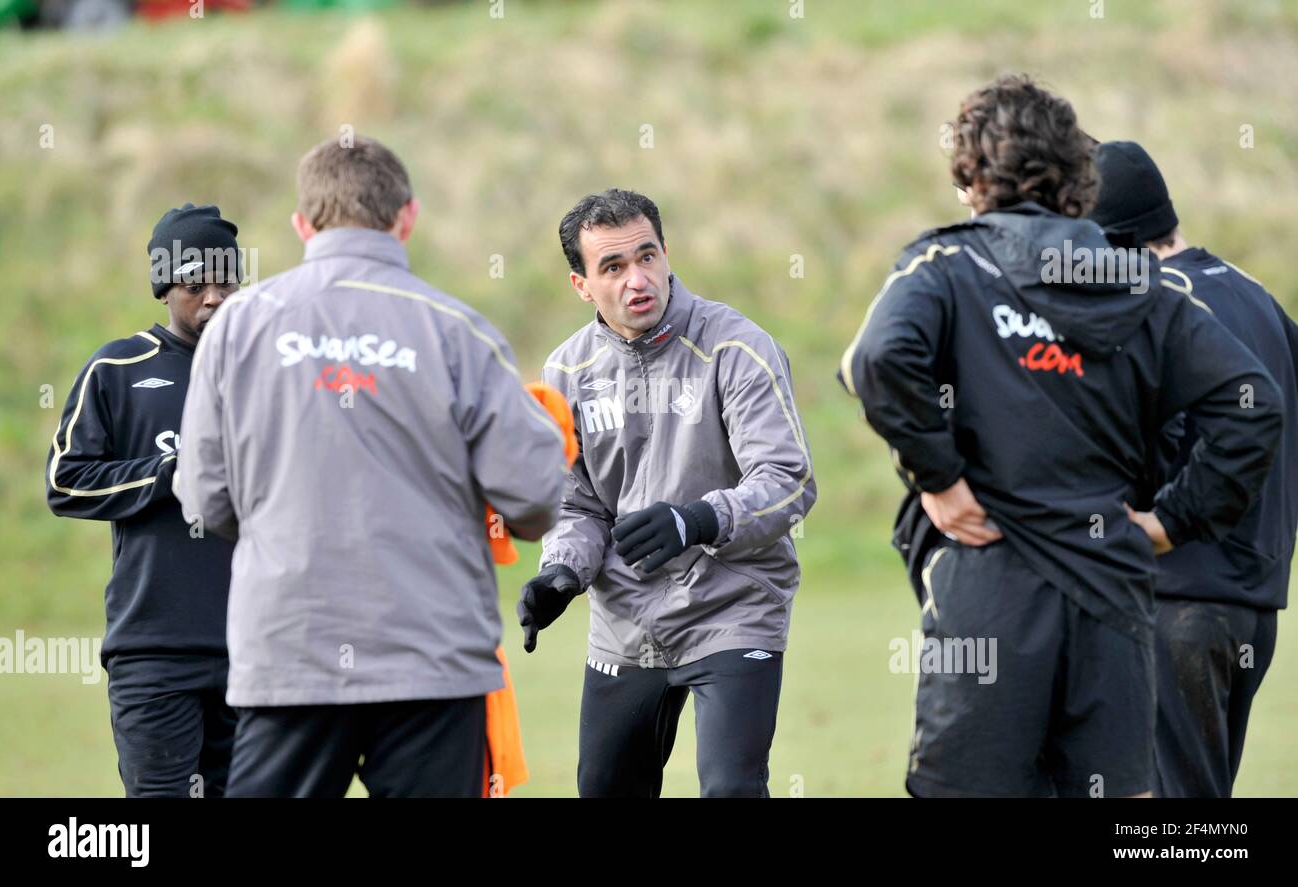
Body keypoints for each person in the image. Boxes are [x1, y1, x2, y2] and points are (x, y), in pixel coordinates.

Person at [837, 75, 1282, 797]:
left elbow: (877, 360)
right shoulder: (1148, 285)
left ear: (971, 173)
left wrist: (940, 480)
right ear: (1078, 174)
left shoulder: (948, 264)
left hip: (987, 588)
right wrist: (1175, 520)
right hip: (1114, 591)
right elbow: (1254, 402)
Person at [175, 136, 567, 798]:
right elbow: (533, 501)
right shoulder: (459, 332)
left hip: (290, 653)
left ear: (303, 224)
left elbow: (206, 501)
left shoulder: (237, 328)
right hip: (433, 663)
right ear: (407, 216)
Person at [517, 188, 815, 797]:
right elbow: (577, 504)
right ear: (581, 285)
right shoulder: (566, 374)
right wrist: (562, 575)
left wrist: (698, 519)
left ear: (665, 254)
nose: (637, 279)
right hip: (625, 622)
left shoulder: (736, 348)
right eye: (613, 267)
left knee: (732, 788)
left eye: (647, 257)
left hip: (732, 607)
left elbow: (788, 482)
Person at [1089, 140, 1298, 797]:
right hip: (1253, 608)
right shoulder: (1257, 296)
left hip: (1172, 599)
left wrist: (1161, 523)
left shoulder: (1147, 306)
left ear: (1110, 239)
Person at [47, 203, 241, 797]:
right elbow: (66, 481)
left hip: (255, 651)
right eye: (193, 282)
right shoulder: (118, 369)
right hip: (154, 654)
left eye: (225, 280)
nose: (212, 297)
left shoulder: (264, 371)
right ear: (164, 287)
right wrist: (171, 472)